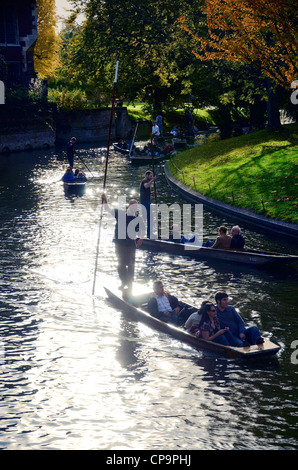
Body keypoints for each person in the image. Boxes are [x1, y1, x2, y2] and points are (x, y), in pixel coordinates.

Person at [102, 194, 145, 292]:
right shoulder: (120, 214)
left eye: (136, 207)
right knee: (121, 265)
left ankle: (129, 284)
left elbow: (143, 230)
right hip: (119, 243)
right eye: (132, 206)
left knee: (131, 265)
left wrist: (140, 240)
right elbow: (107, 209)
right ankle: (124, 282)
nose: (134, 209)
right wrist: (105, 200)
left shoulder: (138, 218)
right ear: (129, 206)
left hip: (130, 244)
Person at [140, 170, 156, 238]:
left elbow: (145, 191)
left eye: (152, 176)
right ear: (147, 175)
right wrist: (153, 180)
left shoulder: (146, 181)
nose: (151, 177)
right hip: (145, 202)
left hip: (146, 201)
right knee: (149, 218)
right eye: (150, 176)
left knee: (147, 218)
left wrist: (152, 193)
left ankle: (146, 233)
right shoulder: (145, 181)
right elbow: (146, 186)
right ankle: (149, 234)